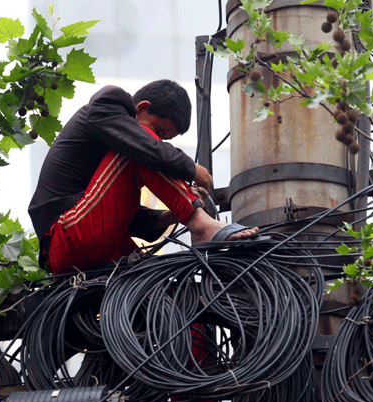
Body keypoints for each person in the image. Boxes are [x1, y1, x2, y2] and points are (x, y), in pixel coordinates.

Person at [28, 79, 260, 274]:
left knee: (164, 292)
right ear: (142, 107)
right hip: (64, 237)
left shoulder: (113, 170)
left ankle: (197, 326)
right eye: (159, 133)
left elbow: (122, 215)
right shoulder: (109, 101)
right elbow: (146, 147)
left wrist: (172, 215)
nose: (158, 141)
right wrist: (192, 169)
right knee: (142, 146)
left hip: (97, 242)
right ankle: (200, 224)